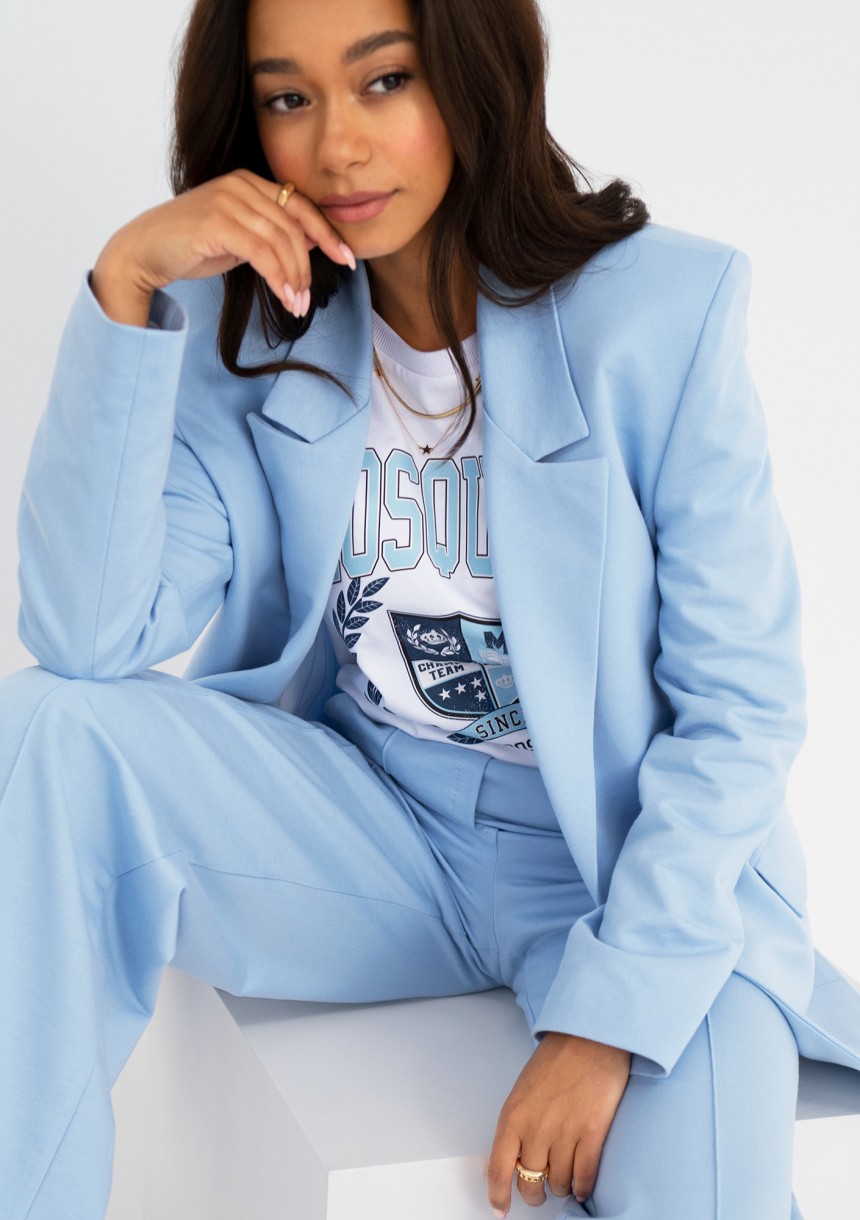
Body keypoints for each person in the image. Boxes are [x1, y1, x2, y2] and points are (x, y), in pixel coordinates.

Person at [1, 0, 859, 1216]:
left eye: (384, 80)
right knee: (44, 728)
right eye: (288, 98)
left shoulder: (661, 314)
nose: (336, 147)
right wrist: (125, 284)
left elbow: (740, 710)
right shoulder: (248, 332)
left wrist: (604, 1022)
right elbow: (87, 636)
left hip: (624, 864)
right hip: (376, 833)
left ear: (471, 73)